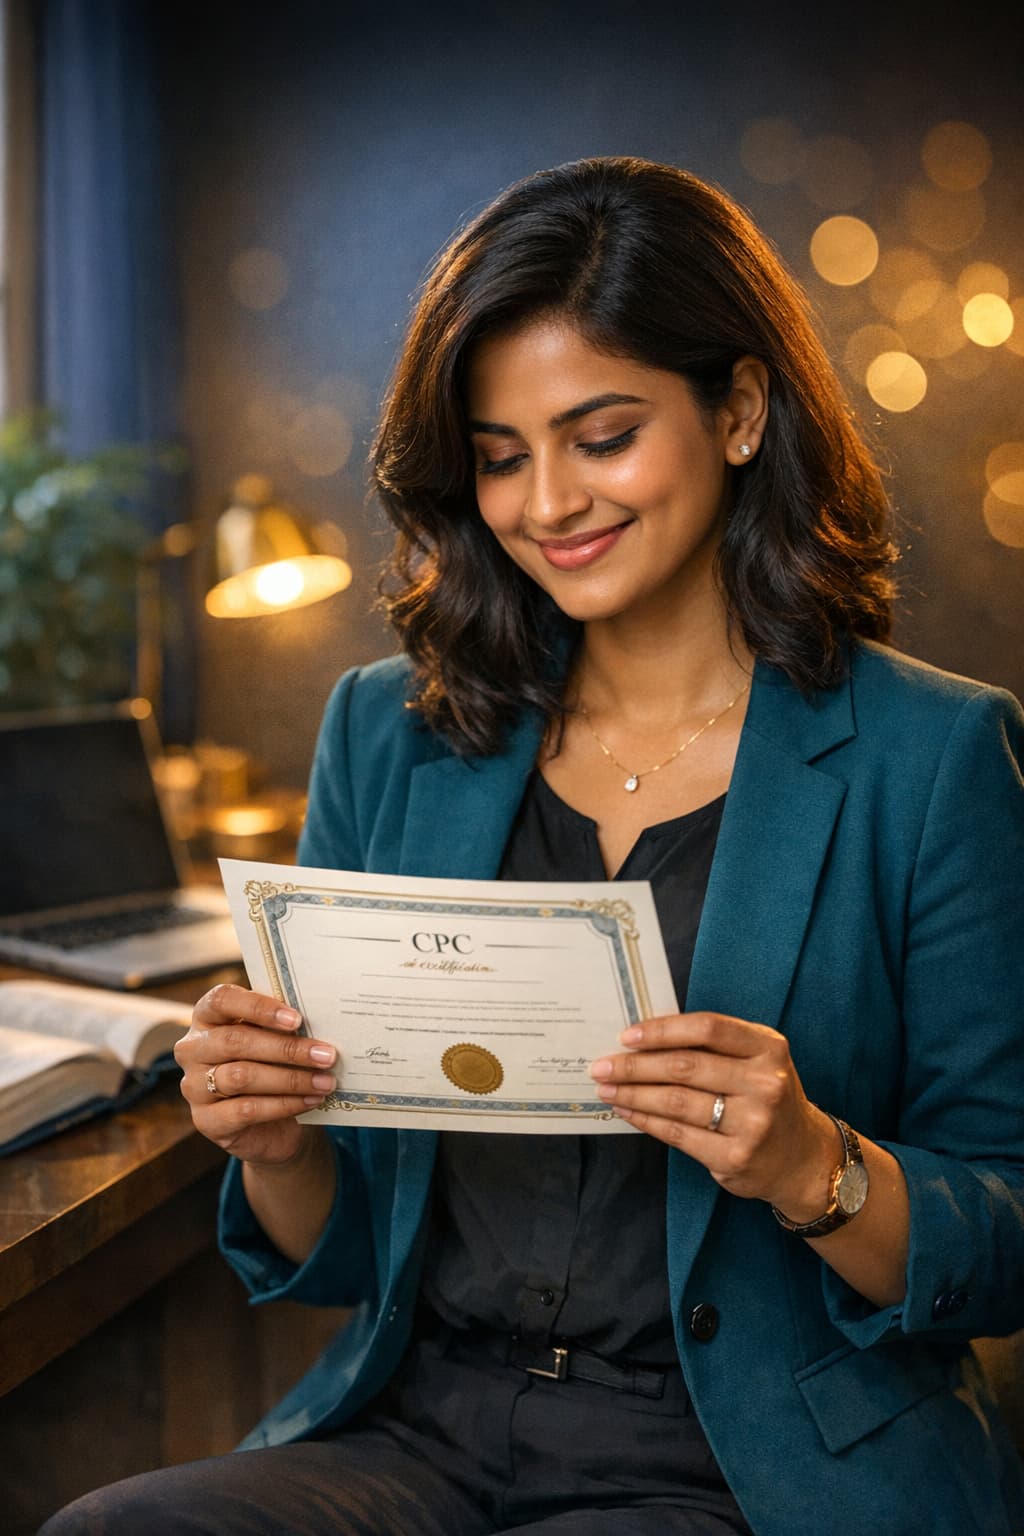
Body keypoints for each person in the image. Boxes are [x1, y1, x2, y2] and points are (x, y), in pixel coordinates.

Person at [41, 157, 1024, 1536]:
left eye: (601, 435)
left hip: (746, 1464)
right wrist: (270, 1138)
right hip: (421, 1432)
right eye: (500, 456)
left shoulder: (934, 758)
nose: (545, 502)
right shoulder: (391, 729)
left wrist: (815, 1165)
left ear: (739, 411)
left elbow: (1010, 1235)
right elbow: (337, 1249)